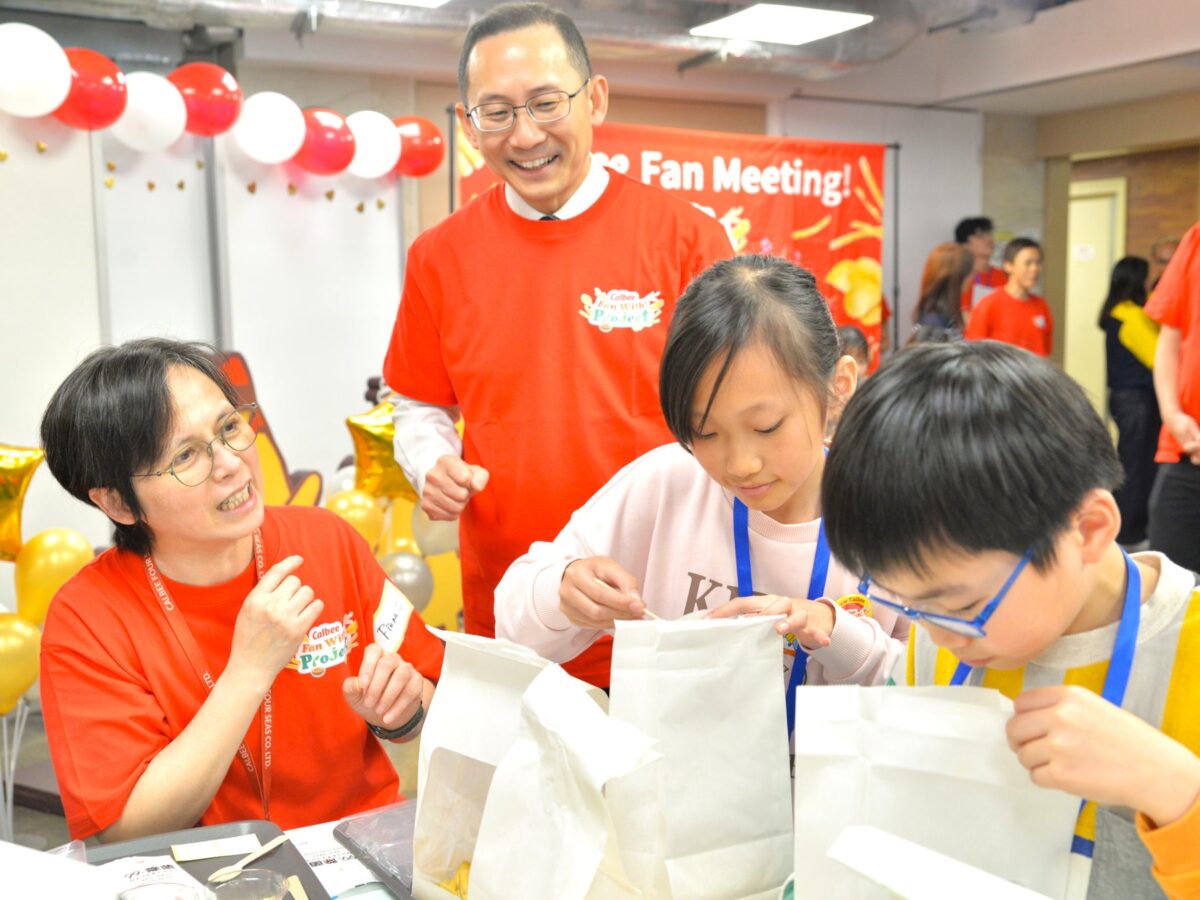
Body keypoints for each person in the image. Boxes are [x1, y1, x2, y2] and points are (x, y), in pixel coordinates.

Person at [381, 2, 731, 688]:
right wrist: (431, 462)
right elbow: (418, 404)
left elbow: (734, 413)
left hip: (661, 607)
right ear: (468, 125)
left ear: (594, 99)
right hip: (513, 607)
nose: (525, 135)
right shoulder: (438, 257)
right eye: (496, 113)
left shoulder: (688, 240)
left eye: (546, 103)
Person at [821, 341, 1200, 899]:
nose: (938, 634)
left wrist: (1175, 789)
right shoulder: (936, 639)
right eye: (908, 604)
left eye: (964, 607)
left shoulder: (1185, 648)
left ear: (1089, 530)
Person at [38, 339, 444, 842]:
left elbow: (433, 700)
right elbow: (125, 828)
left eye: (229, 427)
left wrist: (402, 714)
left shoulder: (326, 540)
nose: (231, 463)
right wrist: (249, 670)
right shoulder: (87, 617)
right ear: (119, 503)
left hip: (359, 848)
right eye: (186, 455)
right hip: (203, 872)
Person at [495, 256, 907, 720]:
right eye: (705, 433)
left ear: (838, 387)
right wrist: (563, 592)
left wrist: (838, 632)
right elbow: (513, 624)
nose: (740, 464)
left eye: (767, 427)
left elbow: (935, 690)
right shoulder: (669, 483)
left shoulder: (892, 517)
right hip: (669, 766)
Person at [1146, 222, 1200, 573]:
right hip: (1185, 449)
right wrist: (1172, 413)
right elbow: (1169, 338)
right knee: (1173, 583)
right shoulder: (1196, 239)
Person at [1098, 256, 1160, 547]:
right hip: (1138, 401)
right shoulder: (1132, 315)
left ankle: (1124, 526)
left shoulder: (1116, 312)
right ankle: (1129, 530)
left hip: (1124, 399)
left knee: (1131, 461)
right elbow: (1158, 357)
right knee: (1137, 465)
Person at [964, 237, 1053, 357]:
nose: (1035, 269)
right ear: (1008, 266)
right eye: (1028, 263)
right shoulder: (988, 304)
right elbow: (973, 352)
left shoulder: (1042, 306)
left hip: (1034, 368)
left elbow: (1045, 351)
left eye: (1038, 263)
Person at [911, 242, 972, 343]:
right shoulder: (936, 323)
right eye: (971, 273)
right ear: (960, 278)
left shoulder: (936, 315)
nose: (973, 277)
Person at [955, 216, 1006, 316]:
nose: (989, 239)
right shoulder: (957, 277)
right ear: (965, 244)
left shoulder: (1004, 277)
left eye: (989, 234)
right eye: (980, 236)